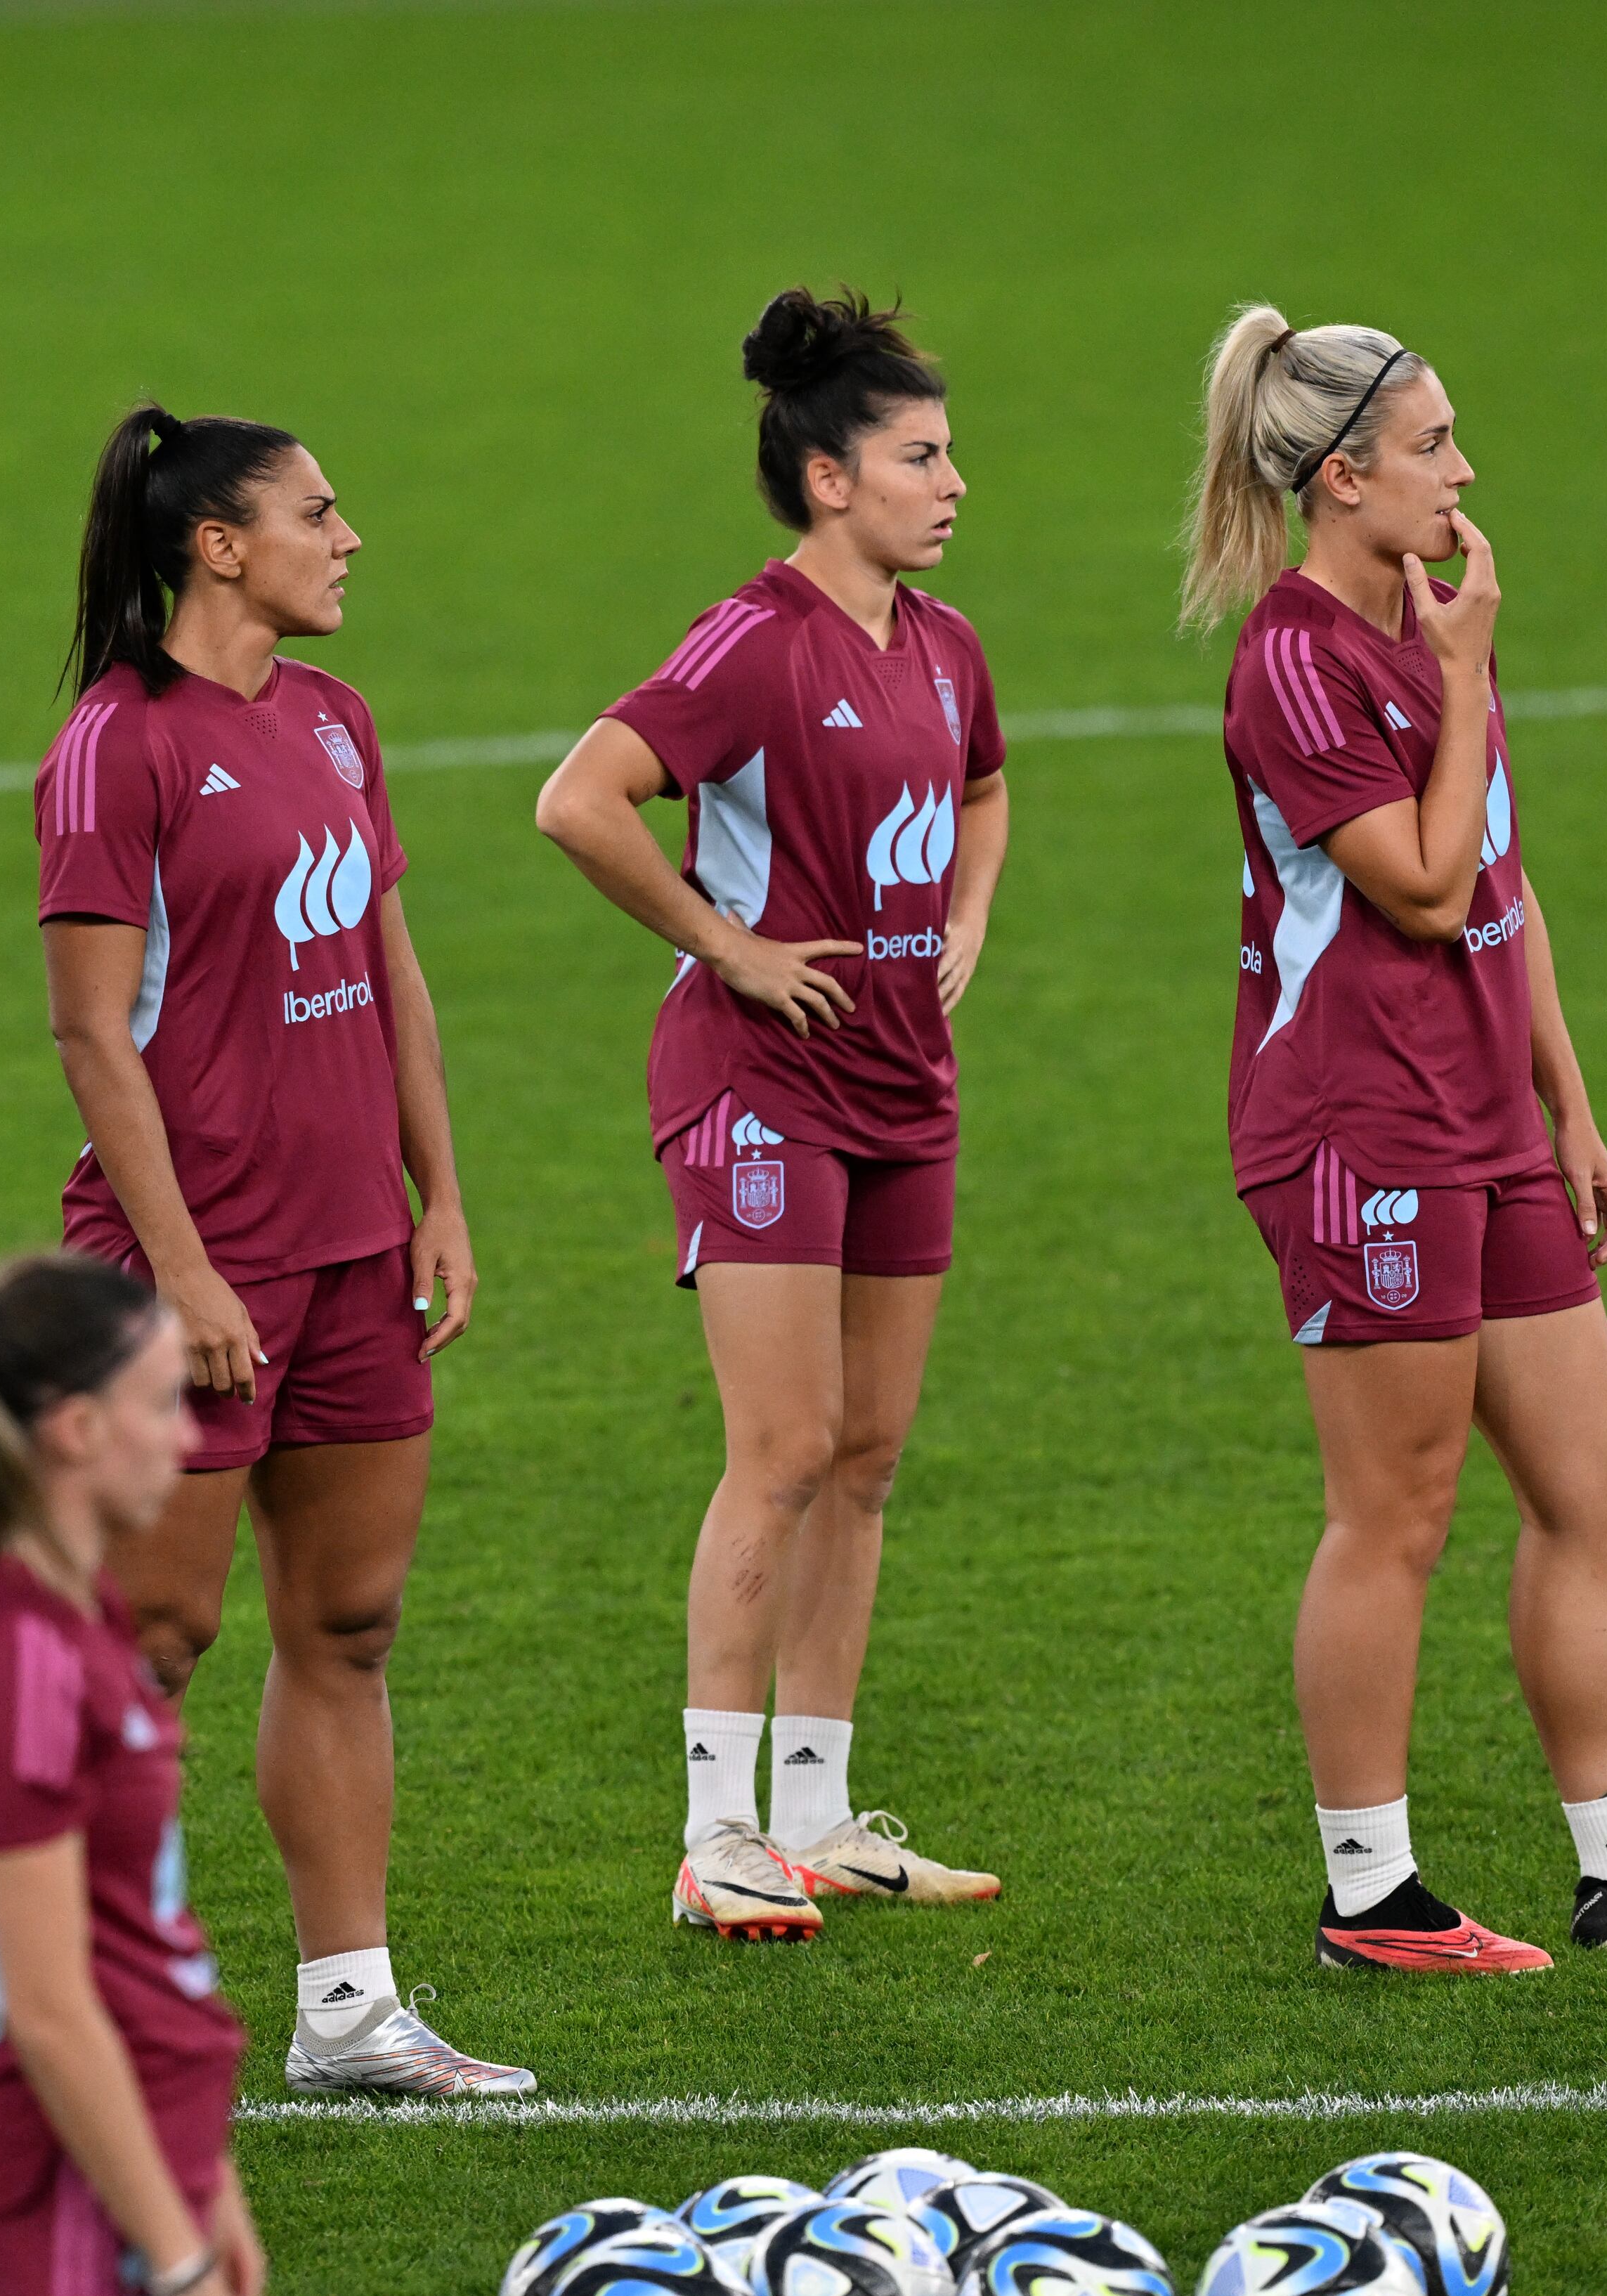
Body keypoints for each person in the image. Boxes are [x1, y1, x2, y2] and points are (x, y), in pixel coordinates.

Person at [1182, 303, 1607, 1971]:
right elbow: (1426, 879)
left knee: (1593, 1481)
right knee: (1398, 1507)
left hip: (1482, 1113)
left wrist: (1569, 1109)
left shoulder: (1438, 628)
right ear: (1342, 474)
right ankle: (1369, 1892)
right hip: (1353, 1126)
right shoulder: (1295, 659)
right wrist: (1454, 679)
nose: (1465, 471)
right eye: (1436, 443)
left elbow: (1503, 894)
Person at [35, 404, 527, 2091]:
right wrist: (180, 1272)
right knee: (151, 1632)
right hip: (186, 1263)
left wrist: (438, 1195)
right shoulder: (118, 744)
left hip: (349, 1253)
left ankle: (345, 2011)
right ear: (218, 547)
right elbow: (94, 1036)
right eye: (320, 510)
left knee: (352, 1621)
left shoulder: (335, 719)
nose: (351, 534)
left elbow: (393, 971)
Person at [534, 289, 1010, 1942]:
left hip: (899, 1082)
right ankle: (715, 1827)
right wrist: (725, 947)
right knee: (786, 1445)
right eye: (920, 457)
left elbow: (984, 785)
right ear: (828, 480)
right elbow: (577, 800)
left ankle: (815, 1811)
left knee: (866, 1457)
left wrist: (964, 918)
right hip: (757, 1085)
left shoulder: (942, 646)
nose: (953, 484)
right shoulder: (750, 643)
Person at [0, 1254, 264, 2296]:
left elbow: (135, 1928)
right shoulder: (20, 1670)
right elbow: (46, 2005)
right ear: (75, 1430)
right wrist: (180, 2267)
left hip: (130, 2161)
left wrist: (206, 2180)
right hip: (49, 2186)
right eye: (160, 1408)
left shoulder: (77, 1607)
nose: (190, 1441)